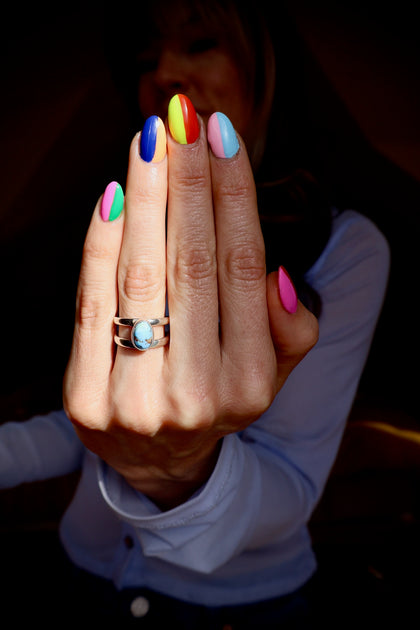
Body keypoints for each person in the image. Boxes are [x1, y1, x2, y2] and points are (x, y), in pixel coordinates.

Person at [0, 0, 390, 627]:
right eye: (145, 58)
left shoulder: (347, 247)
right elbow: (94, 425)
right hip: (81, 573)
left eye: (201, 42)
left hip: (233, 609)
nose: (164, 74)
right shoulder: (123, 223)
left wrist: (176, 473)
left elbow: (293, 485)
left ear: (267, 65)